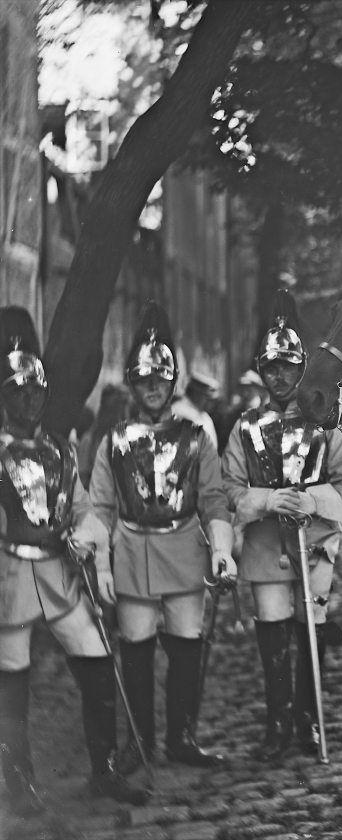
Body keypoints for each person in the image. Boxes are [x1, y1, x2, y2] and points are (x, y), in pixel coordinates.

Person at [0, 307, 148, 813]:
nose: (28, 399)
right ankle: (19, 785)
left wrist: (85, 534)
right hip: (10, 576)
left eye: (35, 390)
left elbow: (82, 507)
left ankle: (103, 771)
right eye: (17, 390)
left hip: (60, 573)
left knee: (96, 659)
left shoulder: (60, 450)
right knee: (11, 675)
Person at [88, 302, 237, 773]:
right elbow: (101, 506)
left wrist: (221, 552)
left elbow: (213, 498)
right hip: (132, 548)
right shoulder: (114, 440)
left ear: (173, 383)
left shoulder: (197, 435)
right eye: (144, 380)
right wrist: (101, 564)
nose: (153, 388)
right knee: (135, 643)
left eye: (161, 379)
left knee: (187, 642)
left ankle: (182, 736)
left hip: (185, 547)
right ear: (133, 383)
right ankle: (139, 741)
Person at [222, 290, 342, 760]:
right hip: (265, 545)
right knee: (273, 629)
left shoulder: (326, 425)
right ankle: (277, 723)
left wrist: (311, 498)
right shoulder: (245, 427)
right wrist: (265, 499)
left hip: (315, 542)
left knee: (311, 626)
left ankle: (310, 718)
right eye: (271, 367)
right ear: (261, 371)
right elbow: (230, 488)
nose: (279, 376)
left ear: (302, 369)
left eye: (287, 366)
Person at [171, 371, 221, 451]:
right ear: (196, 393)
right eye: (207, 398)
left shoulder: (205, 416)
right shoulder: (178, 411)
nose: (211, 404)